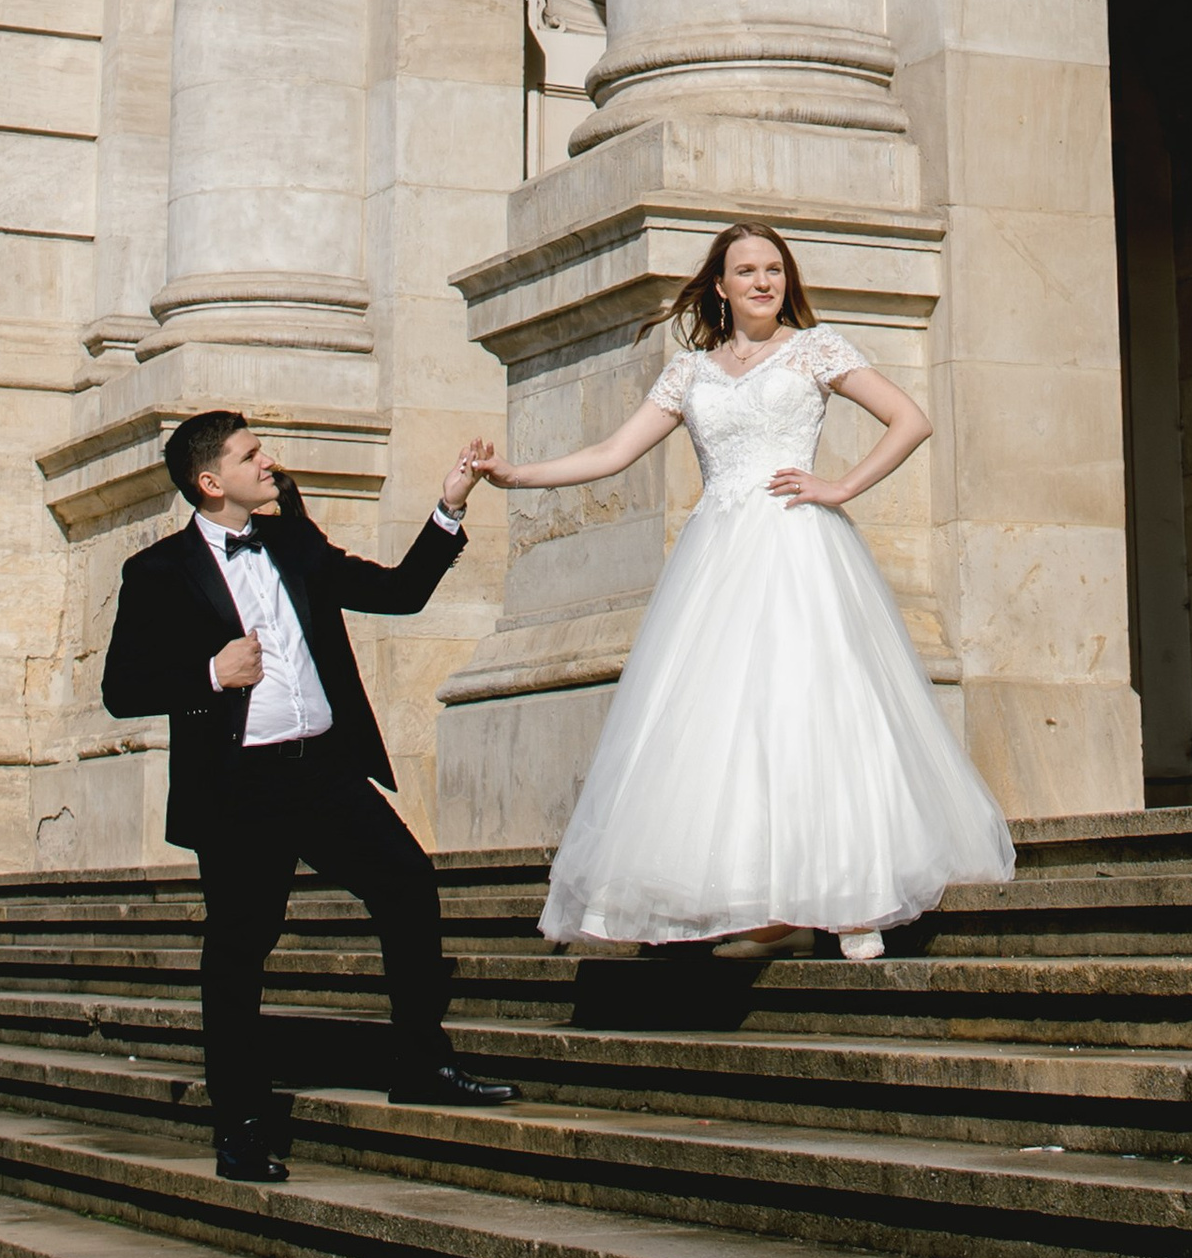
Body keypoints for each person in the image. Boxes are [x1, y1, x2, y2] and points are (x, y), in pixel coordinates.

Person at [475, 222, 1014, 958]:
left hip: (797, 545)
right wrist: (515, 475)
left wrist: (840, 485)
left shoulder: (817, 348)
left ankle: (847, 895)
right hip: (716, 559)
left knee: (812, 706)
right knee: (723, 718)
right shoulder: (690, 371)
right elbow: (612, 452)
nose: (763, 281)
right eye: (747, 271)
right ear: (721, 287)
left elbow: (909, 420)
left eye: (774, 269)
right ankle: (742, 896)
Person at [101, 412, 513, 1181]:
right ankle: (240, 1123)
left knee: (407, 881)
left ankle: (421, 1064)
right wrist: (210, 674)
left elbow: (398, 593)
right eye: (251, 455)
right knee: (240, 948)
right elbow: (122, 689)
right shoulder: (157, 571)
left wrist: (449, 506)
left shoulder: (292, 540)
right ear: (211, 481)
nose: (269, 462)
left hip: (324, 770)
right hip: (239, 786)